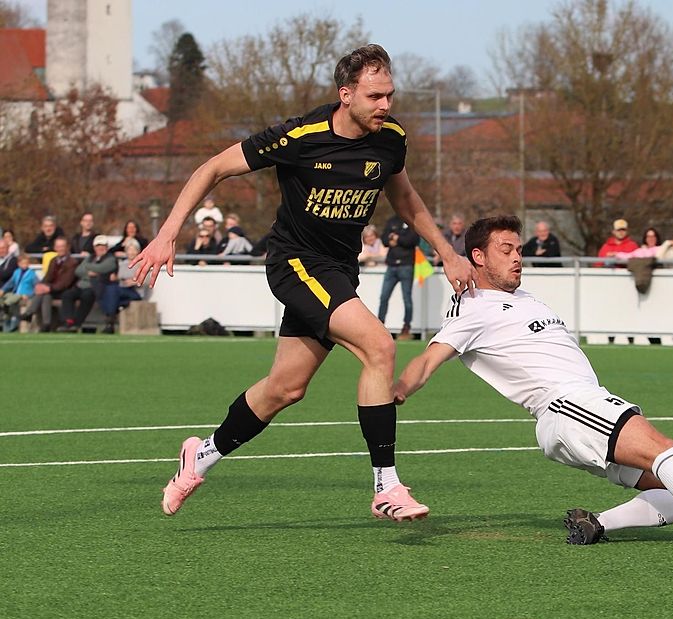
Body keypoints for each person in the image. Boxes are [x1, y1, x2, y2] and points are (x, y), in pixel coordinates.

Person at [130, 44, 475, 521]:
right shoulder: (299, 135)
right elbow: (211, 168)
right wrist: (167, 235)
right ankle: (386, 486)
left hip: (338, 271)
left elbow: (406, 197)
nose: (386, 106)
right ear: (346, 94)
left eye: (390, 95)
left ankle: (200, 456)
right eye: (375, 96)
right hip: (295, 264)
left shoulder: (390, 138)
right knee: (380, 347)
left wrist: (447, 252)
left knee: (285, 389)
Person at [393, 215, 673, 545]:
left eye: (519, 249)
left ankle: (598, 524)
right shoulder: (472, 311)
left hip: (580, 409)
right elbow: (428, 361)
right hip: (567, 406)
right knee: (665, 451)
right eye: (506, 250)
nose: (518, 257)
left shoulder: (526, 298)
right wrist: (396, 390)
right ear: (477, 257)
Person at [57, 235, 117, 332]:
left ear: (107, 247)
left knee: (87, 296)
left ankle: (77, 323)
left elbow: (104, 268)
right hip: (81, 285)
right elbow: (78, 271)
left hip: (95, 287)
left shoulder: (110, 258)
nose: (100, 248)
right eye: (98, 246)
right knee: (67, 295)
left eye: (103, 245)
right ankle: (68, 321)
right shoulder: (90, 257)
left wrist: (89, 267)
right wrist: (93, 273)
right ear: (94, 247)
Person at [378, 214, 419, 339]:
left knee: (406, 298)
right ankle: (379, 325)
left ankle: (406, 327)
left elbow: (412, 240)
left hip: (406, 265)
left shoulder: (411, 221)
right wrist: (396, 238)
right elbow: (384, 239)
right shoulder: (391, 220)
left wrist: (396, 238)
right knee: (384, 297)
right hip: (391, 265)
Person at [23, 237, 77, 332]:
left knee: (45, 293)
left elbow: (65, 282)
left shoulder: (72, 262)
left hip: (66, 291)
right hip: (52, 289)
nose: (60, 249)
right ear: (55, 248)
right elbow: (48, 277)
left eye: (62, 246)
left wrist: (48, 288)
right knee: (45, 295)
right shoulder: (53, 260)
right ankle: (46, 324)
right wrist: (41, 285)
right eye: (58, 246)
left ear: (67, 247)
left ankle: (29, 313)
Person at [1, 254, 38, 332]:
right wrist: (3, 290)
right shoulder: (16, 272)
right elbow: (10, 283)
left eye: (26, 263)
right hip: (15, 293)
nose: (25, 265)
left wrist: (30, 295)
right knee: (4, 297)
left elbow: (37, 287)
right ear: (19, 264)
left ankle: (6, 309)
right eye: (23, 263)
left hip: (24, 294)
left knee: (12, 299)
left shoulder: (32, 274)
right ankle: (5, 312)